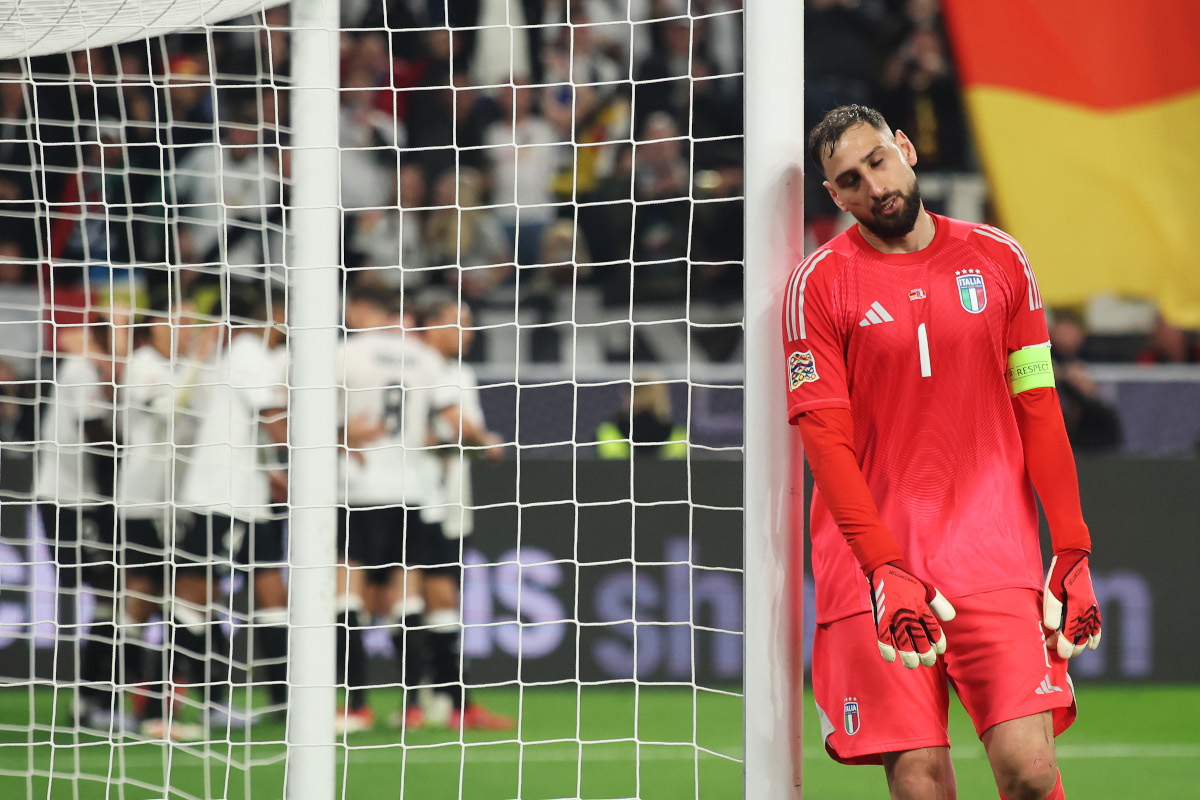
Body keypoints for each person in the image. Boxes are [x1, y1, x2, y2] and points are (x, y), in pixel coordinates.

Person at [784, 105, 1102, 800]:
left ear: (905, 148)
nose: (874, 186)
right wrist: (883, 567)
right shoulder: (820, 284)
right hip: (872, 569)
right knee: (919, 780)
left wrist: (1072, 549)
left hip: (991, 552)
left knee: (1030, 770)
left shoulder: (1000, 258)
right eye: (850, 180)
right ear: (835, 196)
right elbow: (826, 444)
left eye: (877, 161)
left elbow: (1039, 409)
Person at [333, 286, 452, 733]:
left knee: (348, 596)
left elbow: (309, 414)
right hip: (410, 489)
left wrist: (341, 433)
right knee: (407, 597)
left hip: (356, 487)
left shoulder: (345, 352)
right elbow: (449, 422)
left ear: (361, 307)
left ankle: (356, 707)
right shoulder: (424, 358)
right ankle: (412, 708)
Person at [174, 287, 290, 729]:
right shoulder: (248, 352)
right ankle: (208, 701)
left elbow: (252, 427)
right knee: (195, 595)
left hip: (249, 495)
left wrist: (273, 472)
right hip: (221, 496)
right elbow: (272, 418)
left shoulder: (238, 356)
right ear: (275, 316)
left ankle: (282, 701)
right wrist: (308, 465)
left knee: (270, 592)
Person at [415, 296, 511, 730]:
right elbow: (456, 434)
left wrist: (475, 441)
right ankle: (431, 700)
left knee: (439, 599)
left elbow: (462, 436)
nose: (468, 333)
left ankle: (439, 699)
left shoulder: (462, 374)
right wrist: (483, 441)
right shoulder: (414, 367)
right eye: (460, 323)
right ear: (431, 323)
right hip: (409, 499)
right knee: (407, 599)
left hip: (451, 502)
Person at [33, 321, 123, 733]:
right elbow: (95, 433)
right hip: (72, 501)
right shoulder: (82, 369)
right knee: (110, 591)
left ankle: (94, 699)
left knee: (112, 596)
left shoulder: (93, 370)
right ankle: (93, 700)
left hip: (77, 499)